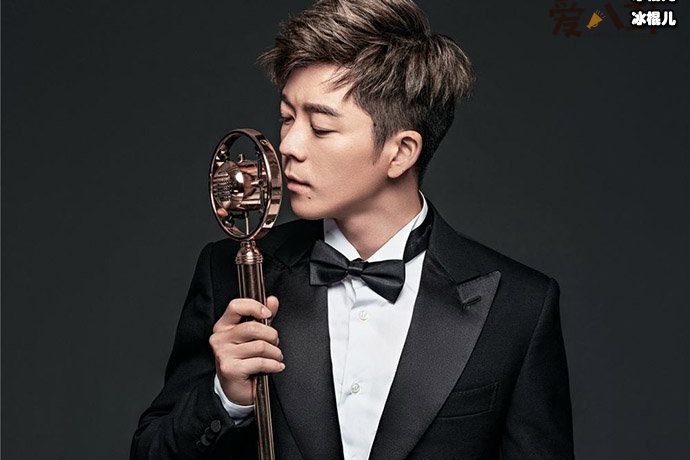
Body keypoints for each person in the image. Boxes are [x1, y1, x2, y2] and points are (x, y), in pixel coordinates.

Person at [131, 0, 575, 458]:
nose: (289, 146)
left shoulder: (518, 305)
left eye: (321, 127)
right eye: (287, 118)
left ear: (401, 152)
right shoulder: (233, 271)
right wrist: (226, 399)